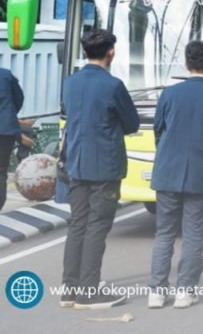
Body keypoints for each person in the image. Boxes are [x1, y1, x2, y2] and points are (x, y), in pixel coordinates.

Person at [59, 30, 139, 309]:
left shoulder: (70, 82)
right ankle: (89, 291)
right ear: (111, 52)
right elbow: (132, 124)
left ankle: (69, 289)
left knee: (77, 225)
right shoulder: (113, 85)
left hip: (75, 164)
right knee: (97, 228)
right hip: (105, 166)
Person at [148, 41, 203, 309]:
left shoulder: (170, 94)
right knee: (194, 234)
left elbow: (158, 129)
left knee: (164, 233)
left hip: (167, 170)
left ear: (185, 63)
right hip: (201, 170)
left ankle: (157, 292)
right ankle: (185, 291)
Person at [0, 64, 24, 213]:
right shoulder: (6, 75)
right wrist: (8, 115)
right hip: (5, 130)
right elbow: (19, 98)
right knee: (1, 171)